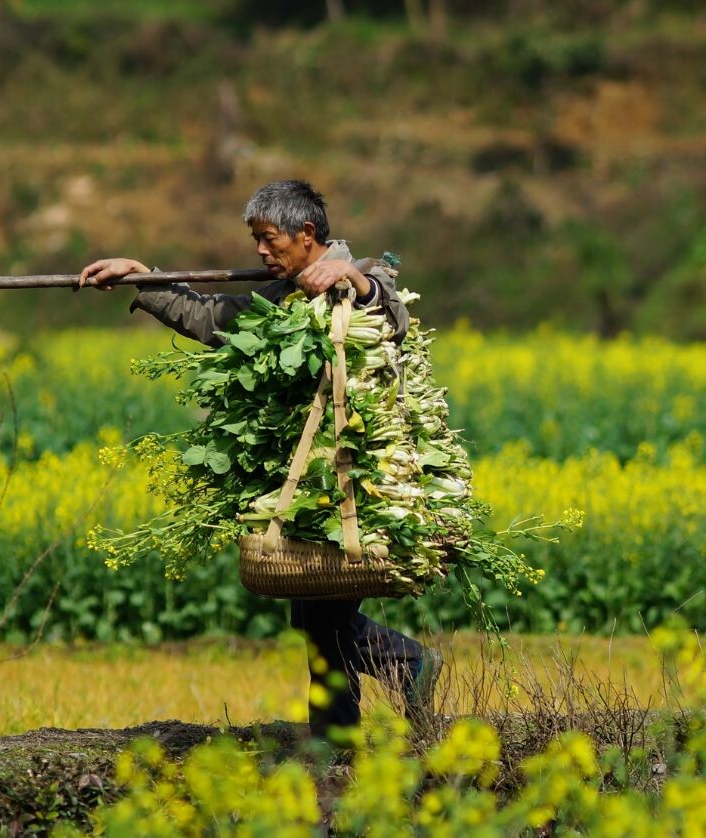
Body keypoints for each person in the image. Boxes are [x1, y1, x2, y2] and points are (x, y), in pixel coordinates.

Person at [79, 179, 443, 739]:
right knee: (318, 613)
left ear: (306, 235)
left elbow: (390, 312)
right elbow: (210, 319)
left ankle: (402, 666)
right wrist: (142, 278)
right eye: (255, 241)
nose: (259, 252)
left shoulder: (357, 276)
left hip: (345, 478)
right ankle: (337, 734)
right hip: (295, 479)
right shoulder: (274, 298)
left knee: (324, 614)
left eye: (268, 240)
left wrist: (352, 279)